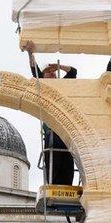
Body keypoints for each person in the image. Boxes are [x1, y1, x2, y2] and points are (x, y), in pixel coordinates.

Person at [24, 40, 77, 186]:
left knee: (67, 158)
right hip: (52, 131)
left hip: (65, 129)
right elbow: (34, 69)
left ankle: (67, 185)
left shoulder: (62, 86)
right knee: (53, 157)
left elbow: (73, 72)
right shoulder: (43, 87)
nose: (52, 74)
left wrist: (59, 66)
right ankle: (53, 184)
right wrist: (30, 52)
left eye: (54, 72)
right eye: (49, 72)